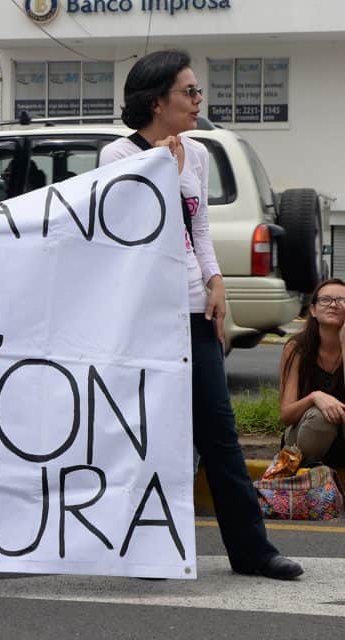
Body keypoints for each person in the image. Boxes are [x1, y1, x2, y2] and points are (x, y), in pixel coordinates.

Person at [99, 49, 303, 580]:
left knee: (218, 432)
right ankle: (145, 550)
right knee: (147, 435)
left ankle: (254, 552)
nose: (197, 101)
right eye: (188, 92)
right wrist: (161, 167)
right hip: (146, 316)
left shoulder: (200, 153)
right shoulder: (119, 156)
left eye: (197, 91)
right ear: (155, 100)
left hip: (194, 309)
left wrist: (215, 283)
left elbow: (199, 229)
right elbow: (131, 230)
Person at [279, 279, 345, 468]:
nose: (333, 304)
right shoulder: (297, 348)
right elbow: (286, 415)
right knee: (321, 417)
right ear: (313, 310)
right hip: (304, 441)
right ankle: (307, 484)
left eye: (341, 300)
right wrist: (314, 397)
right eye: (325, 300)